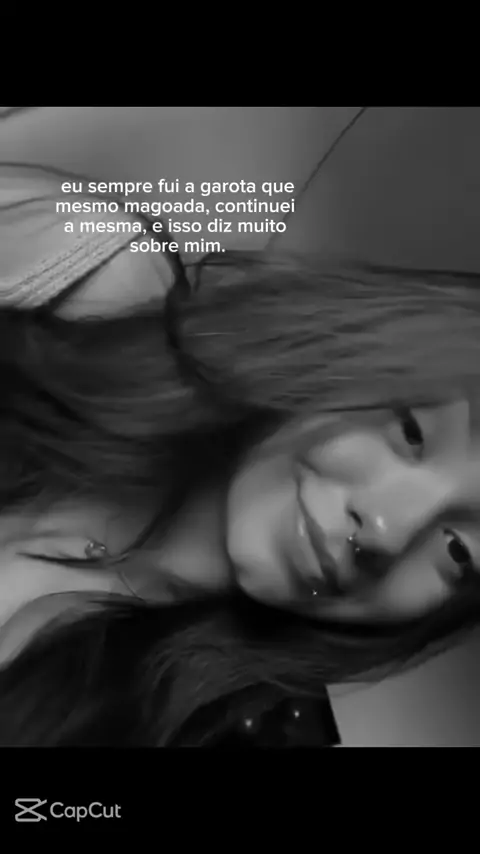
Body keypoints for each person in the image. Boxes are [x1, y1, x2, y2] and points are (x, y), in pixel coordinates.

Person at [1, 162, 480, 746]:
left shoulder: (205, 731)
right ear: (348, 350)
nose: (387, 528)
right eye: (412, 432)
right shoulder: (87, 265)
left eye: (459, 551)